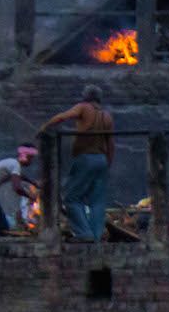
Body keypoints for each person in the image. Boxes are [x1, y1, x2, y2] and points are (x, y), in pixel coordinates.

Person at [40, 85, 114, 243]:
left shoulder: (83, 107)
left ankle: (83, 234)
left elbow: (62, 117)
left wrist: (44, 127)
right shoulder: (107, 116)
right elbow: (111, 143)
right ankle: (97, 236)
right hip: (101, 159)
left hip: (86, 158)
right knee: (97, 201)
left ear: (85, 96)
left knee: (72, 198)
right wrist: (108, 164)